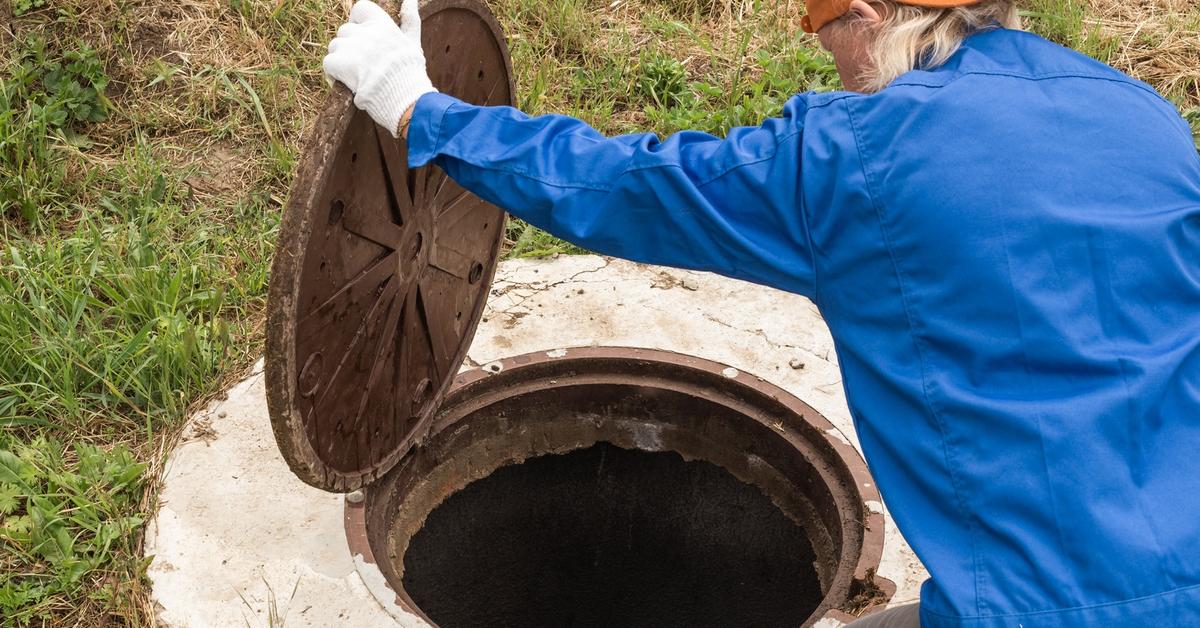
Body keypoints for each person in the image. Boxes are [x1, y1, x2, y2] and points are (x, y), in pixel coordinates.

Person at [322, 0, 1200, 625]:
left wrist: (421, 110)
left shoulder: (859, 158)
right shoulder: (1143, 116)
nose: (832, 64)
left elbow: (624, 186)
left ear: (868, 14)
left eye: (819, 32)